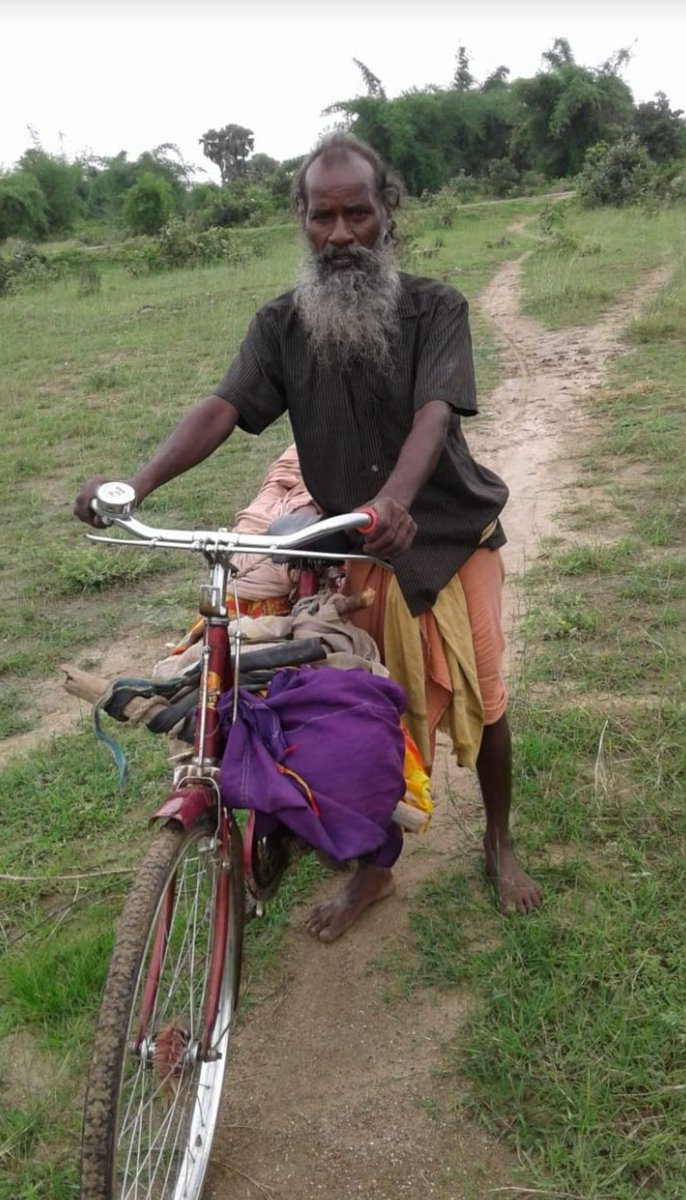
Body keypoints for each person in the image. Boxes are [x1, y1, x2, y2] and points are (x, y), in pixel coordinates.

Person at [75, 132, 541, 941]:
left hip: (448, 534)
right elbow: (224, 408)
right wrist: (136, 484)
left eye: (356, 214)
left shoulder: (438, 309)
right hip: (347, 543)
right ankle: (373, 867)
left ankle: (499, 842)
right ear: (301, 218)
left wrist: (396, 501)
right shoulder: (282, 324)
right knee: (366, 710)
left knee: (488, 696)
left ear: (385, 213)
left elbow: (436, 412)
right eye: (322, 217)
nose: (340, 236)